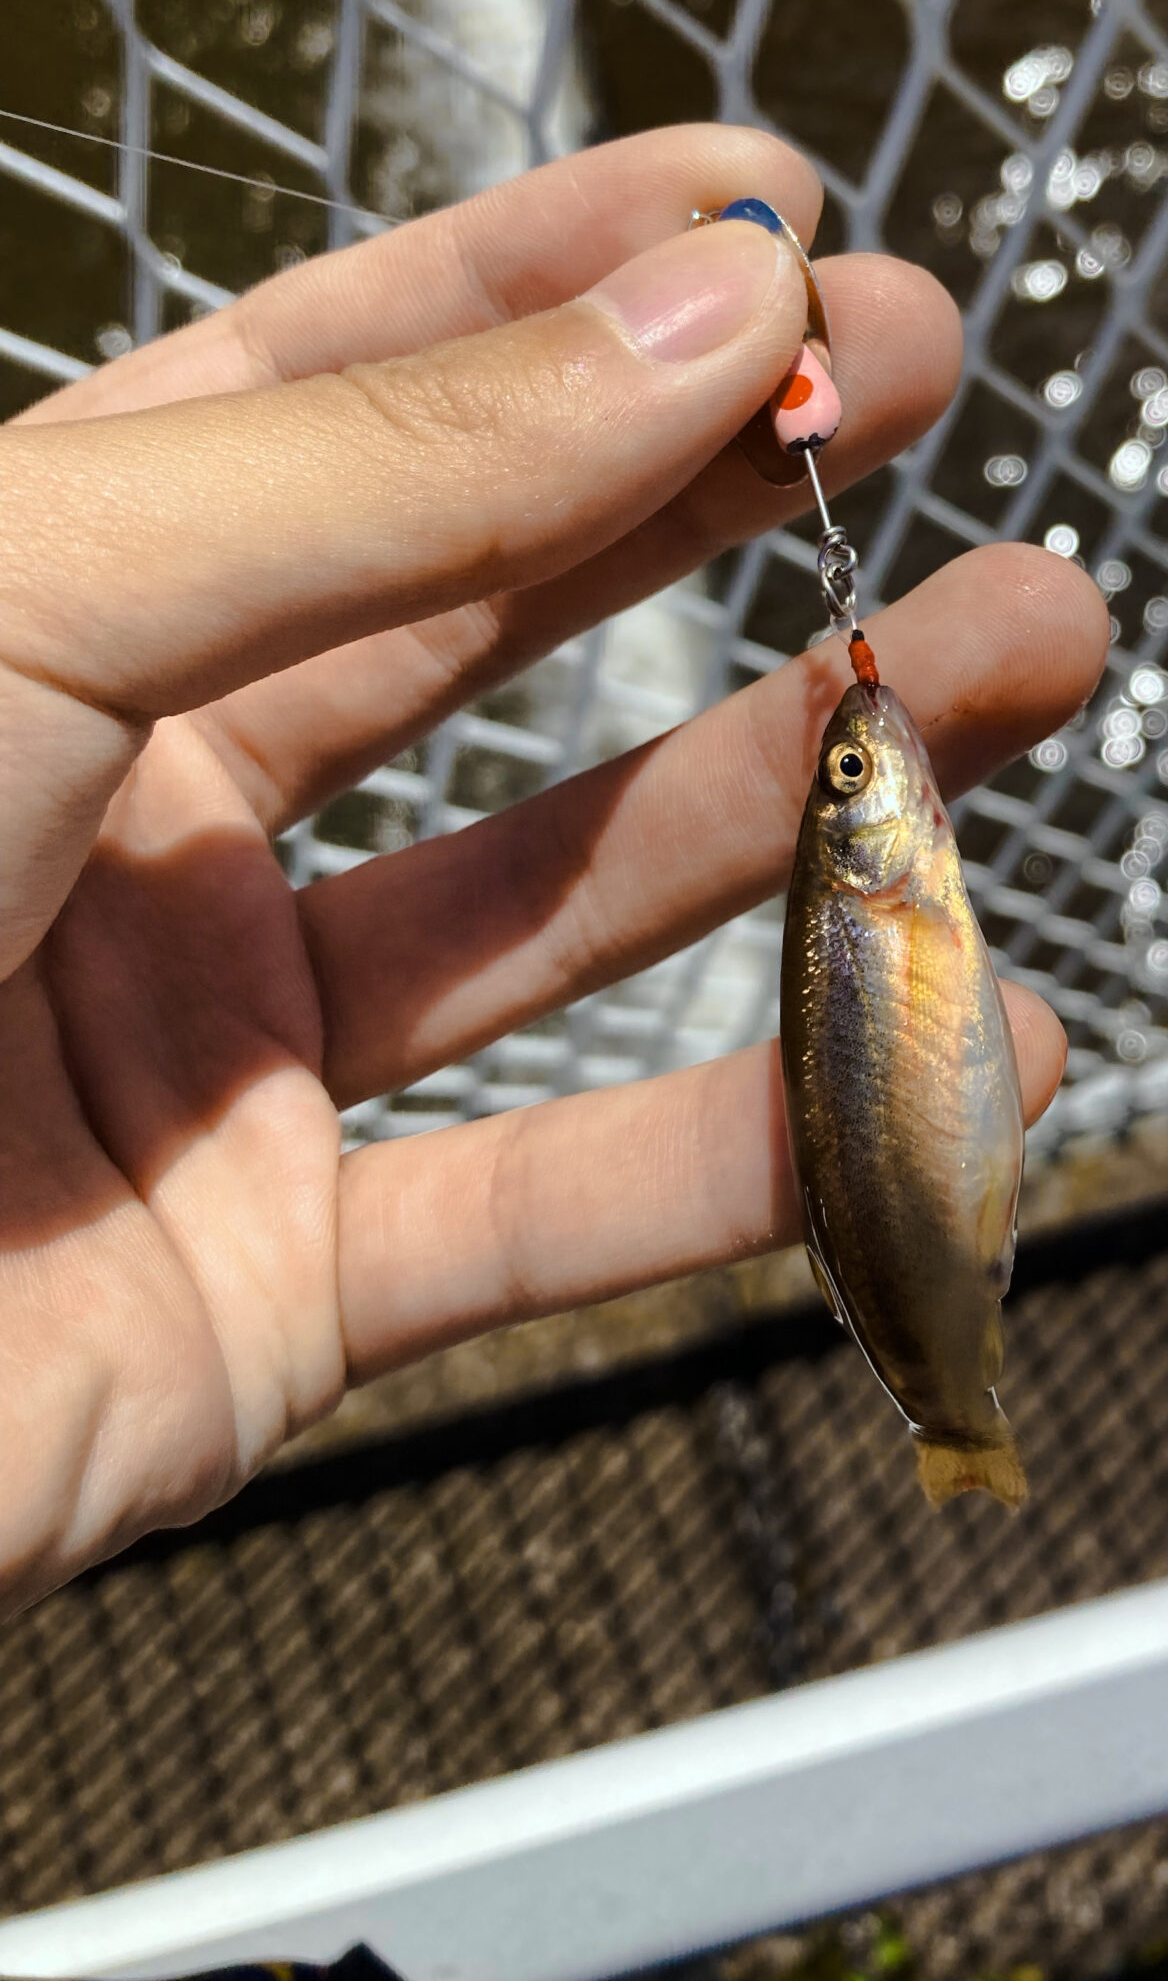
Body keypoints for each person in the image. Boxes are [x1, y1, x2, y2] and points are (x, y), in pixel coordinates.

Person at [0, 126, 1108, 1619]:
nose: (867, 765)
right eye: (854, 779)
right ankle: (950, 1403)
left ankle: (949, 1393)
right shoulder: (882, 884)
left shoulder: (880, 890)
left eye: (846, 780)